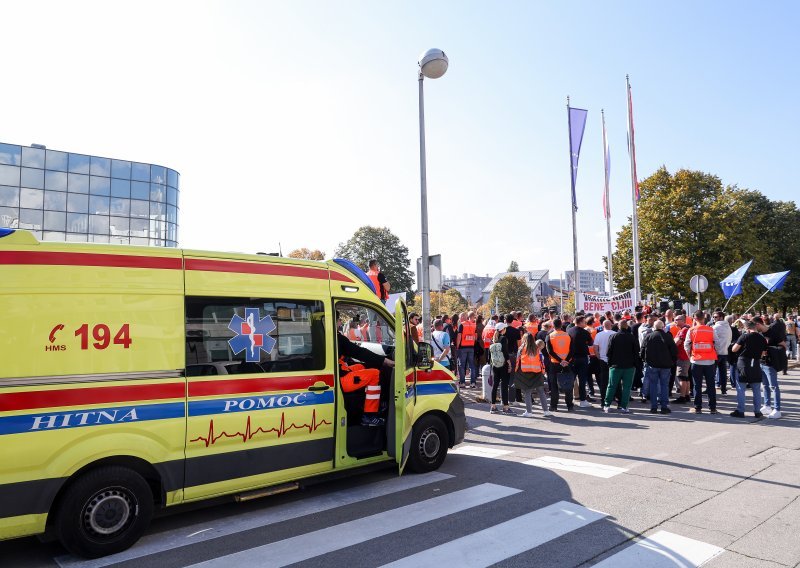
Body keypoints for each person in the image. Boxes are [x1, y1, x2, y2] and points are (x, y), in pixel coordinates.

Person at [337, 328, 395, 427]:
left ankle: (374, 403)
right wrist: (384, 361)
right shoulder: (337, 338)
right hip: (340, 378)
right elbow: (358, 352)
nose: (339, 323)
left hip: (340, 370)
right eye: (338, 320)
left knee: (361, 366)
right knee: (374, 374)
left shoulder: (329, 335)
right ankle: (369, 416)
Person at [730, 319, 766, 418]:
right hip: (756, 364)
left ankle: (740, 411)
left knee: (741, 388)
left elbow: (734, 349)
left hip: (743, 363)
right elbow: (763, 354)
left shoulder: (744, 336)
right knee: (756, 389)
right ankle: (757, 412)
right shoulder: (762, 338)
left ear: (747, 328)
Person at [641, 320, 678, 414]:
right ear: (663, 327)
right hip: (665, 365)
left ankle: (654, 407)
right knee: (664, 385)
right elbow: (674, 351)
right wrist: (672, 362)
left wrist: (645, 360)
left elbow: (642, 350)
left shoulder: (649, 336)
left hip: (652, 364)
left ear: (654, 326)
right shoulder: (668, 336)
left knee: (653, 385)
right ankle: (664, 406)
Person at [685, 312, 718, 414]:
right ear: (704, 318)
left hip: (696, 361)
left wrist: (689, 357)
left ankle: (697, 408)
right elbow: (717, 342)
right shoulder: (711, 329)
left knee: (697, 385)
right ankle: (712, 408)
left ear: (695, 318)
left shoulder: (691, 330)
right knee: (711, 385)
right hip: (710, 361)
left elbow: (686, 345)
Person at [514, 334, 551, 417]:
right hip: (537, 372)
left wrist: (516, 371)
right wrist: (543, 371)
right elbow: (541, 361)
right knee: (541, 391)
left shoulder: (521, 349)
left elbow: (518, 361)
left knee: (527, 392)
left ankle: (529, 412)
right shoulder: (537, 349)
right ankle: (546, 411)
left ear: (524, 339)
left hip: (525, 372)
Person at [604, 319, 637, 413]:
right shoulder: (631, 337)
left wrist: (609, 364)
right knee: (626, 387)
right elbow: (636, 352)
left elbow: (608, 352)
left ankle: (607, 405)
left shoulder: (613, 336)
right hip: (629, 366)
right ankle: (623, 406)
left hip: (615, 366)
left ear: (618, 326)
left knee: (611, 386)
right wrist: (635, 364)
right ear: (626, 326)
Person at [757, 316, 785, 419]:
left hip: (770, 364)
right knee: (764, 386)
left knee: (773, 386)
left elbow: (783, 345)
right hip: (761, 363)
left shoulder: (773, 332)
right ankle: (767, 405)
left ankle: (777, 409)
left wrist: (771, 351)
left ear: (758, 324)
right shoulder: (759, 334)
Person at [546, 318, 574, 411]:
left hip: (555, 364)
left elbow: (550, 351)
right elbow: (572, 350)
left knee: (554, 386)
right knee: (568, 384)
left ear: (553, 326)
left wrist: (560, 360)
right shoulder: (568, 335)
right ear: (561, 325)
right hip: (567, 363)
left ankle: (554, 406)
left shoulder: (550, 336)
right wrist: (565, 360)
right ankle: (570, 406)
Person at [567, 315, 594, 407]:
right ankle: (582, 400)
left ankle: (570, 401)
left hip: (572, 358)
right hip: (582, 358)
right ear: (580, 322)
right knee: (582, 380)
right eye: (584, 322)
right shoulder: (585, 332)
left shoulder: (569, 331)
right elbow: (590, 343)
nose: (585, 323)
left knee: (572, 380)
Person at [489, 323, 514, 415]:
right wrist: (509, 363)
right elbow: (505, 352)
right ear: (503, 329)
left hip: (495, 365)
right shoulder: (503, 339)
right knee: (504, 385)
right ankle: (505, 407)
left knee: (495, 385)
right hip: (503, 365)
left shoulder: (493, 340)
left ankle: (493, 406)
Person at [593, 319, 617, 405]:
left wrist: (598, 356)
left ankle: (603, 400)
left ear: (603, 326)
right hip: (613, 361)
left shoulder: (599, 335)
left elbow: (595, 347)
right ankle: (614, 397)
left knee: (604, 381)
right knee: (614, 380)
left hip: (603, 360)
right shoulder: (615, 334)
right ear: (611, 325)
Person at [456, 311, 479, 388]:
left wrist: (457, 346)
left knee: (462, 365)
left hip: (463, 347)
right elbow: (476, 337)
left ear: (463, 317)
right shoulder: (474, 325)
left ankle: (462, 382)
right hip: (471, 347)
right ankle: (473, 383)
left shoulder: (462, 325)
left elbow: (459, 336)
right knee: (472, 365)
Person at [712, 311, 733, 395]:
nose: (714, 319)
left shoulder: (716, 327)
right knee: (722, 372)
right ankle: (723, 390)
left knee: (712, 373)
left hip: (716, 352)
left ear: (721, 317)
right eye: (713, 317)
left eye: (715, 317)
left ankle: (711, 389)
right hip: (724, 352)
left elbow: (713, 340)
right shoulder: (728, 327)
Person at [673, 315, 691, 403]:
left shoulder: (684, 330)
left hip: (683, 357)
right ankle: (687, 395)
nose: (674, 321)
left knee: (682, 377)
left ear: (683, 320)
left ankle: (682, 397)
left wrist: (674, 340)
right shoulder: (685, 329)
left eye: (676, 320)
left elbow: (677, 342)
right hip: (686, 356)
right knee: (686, 377)